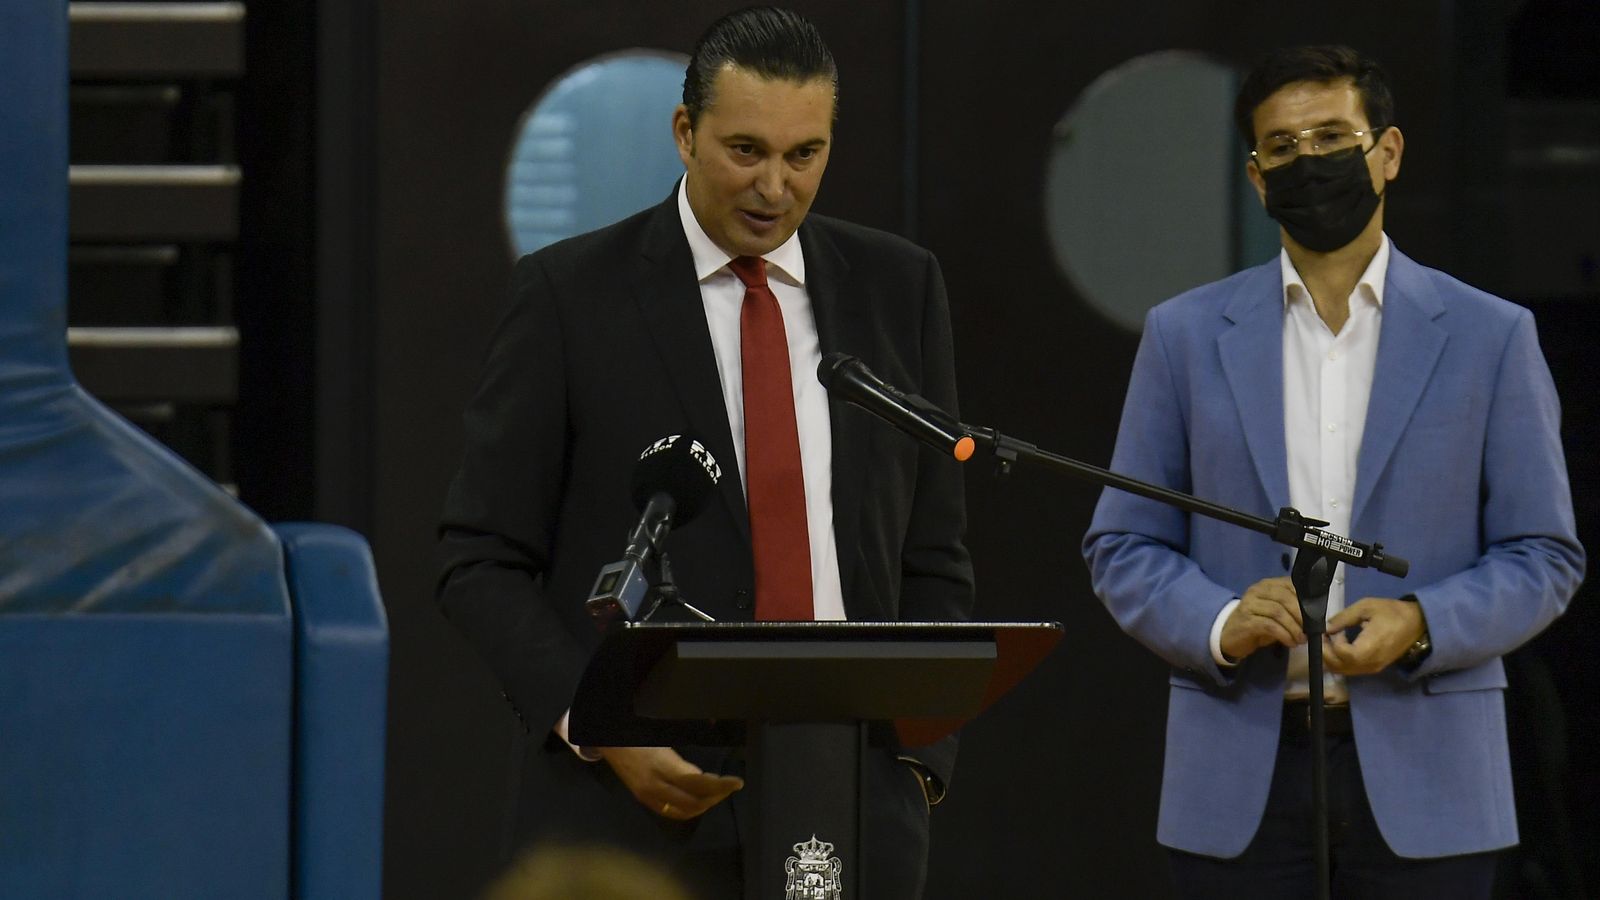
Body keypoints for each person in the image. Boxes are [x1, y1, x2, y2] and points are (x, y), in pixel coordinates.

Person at [437, 8, 973, 898]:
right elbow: (479, 560)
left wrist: (919, 763)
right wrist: (605, 729)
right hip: (637, 801)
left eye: (804, 155)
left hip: (856, 800)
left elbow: (934, 554)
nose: (774, 186)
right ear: (685, 134)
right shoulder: (570, 297)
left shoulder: (898, 289)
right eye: (746, 150)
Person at [1082, 44, 1584, 899]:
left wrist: (1422, 622)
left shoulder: (1490, 335)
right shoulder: (1185, 335)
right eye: (1281, 147)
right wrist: (1217, 622)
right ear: (1254, 175)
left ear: (1386, 153)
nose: (1306, 161)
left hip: (1434, 781)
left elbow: (1544, 553)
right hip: (1240, 774)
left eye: (1329, 137)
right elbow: (1122, 545)